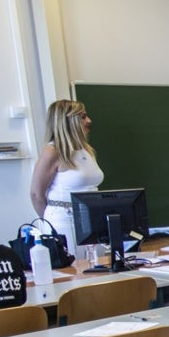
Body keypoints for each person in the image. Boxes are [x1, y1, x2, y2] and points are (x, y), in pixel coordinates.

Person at [29, 100, 103, 256]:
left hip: (90, 218)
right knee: (73, 270)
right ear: (67, 121)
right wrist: (52, 218)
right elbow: (36, 194)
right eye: (82, 117)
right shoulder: (52, 151)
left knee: (96, 267)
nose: (88, 121)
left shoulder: (86, 149)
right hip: (64, 221)